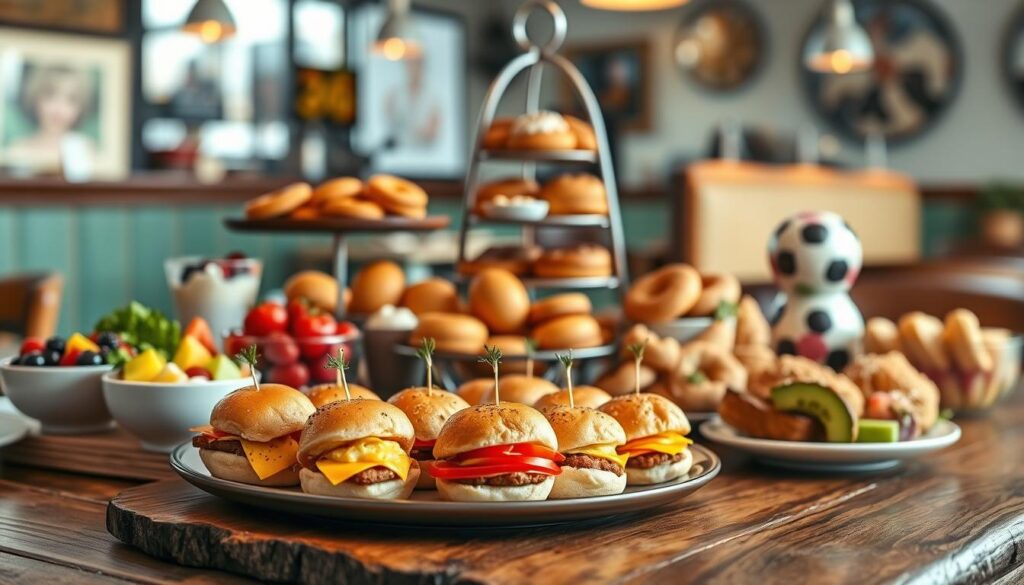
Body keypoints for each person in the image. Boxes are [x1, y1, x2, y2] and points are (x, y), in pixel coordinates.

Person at [6, 64, 96, 173]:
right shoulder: (16, 150)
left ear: (81, 107)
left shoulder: (87, 150)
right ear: (35, 97)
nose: (58, 108)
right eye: (50, 95)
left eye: (71, 99)